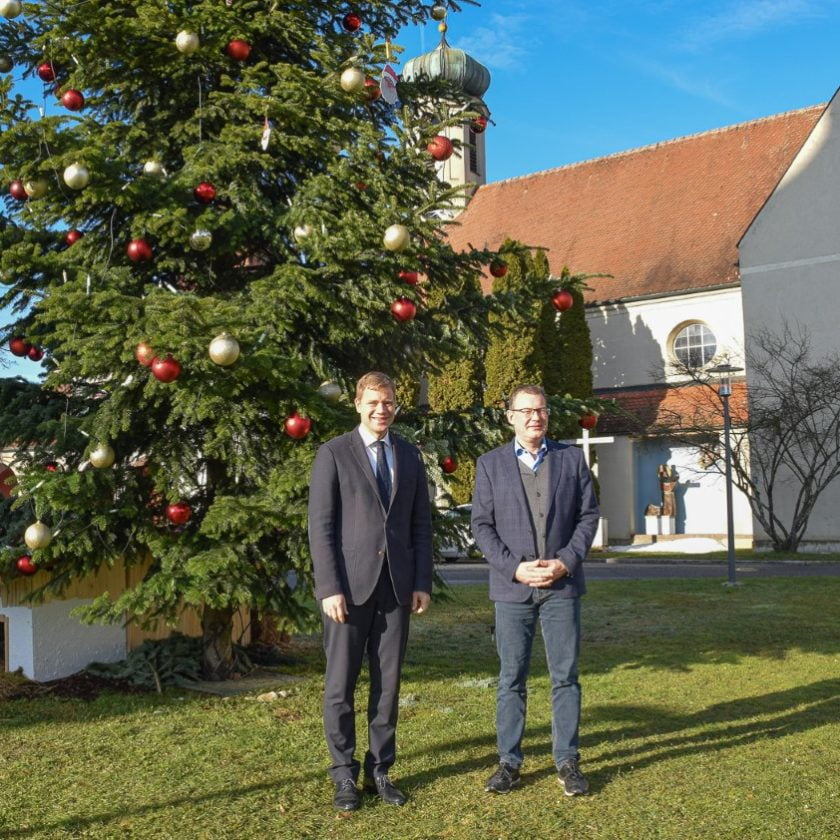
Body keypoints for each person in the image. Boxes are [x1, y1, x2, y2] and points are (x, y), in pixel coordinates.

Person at [308, 371, 433, 811]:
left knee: (388, 686)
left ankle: (379, 769)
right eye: (374, 402)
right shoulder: (334, 453)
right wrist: (329, 587)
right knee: (340, 686)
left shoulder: (409, 456)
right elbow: (321, 527)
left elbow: (421, 524)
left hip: (397, 588)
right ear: (358, 404)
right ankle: (343, 774)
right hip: (348, 590)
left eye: (390, 403)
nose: (382, 410)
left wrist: (421, 581)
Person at [471, 384, 599, 797]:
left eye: (540, 410)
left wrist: (566, 561)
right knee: (512, 678)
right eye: (525, 411)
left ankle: (567, 759)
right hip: (513, 590)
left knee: (566, 677)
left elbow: (588, 515)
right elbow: (482, 526)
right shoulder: (489, 465)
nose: (534, 418)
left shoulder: (571, 459)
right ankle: (509, 762)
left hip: (562, 586)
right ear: (510, 417)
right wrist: (515, 569)